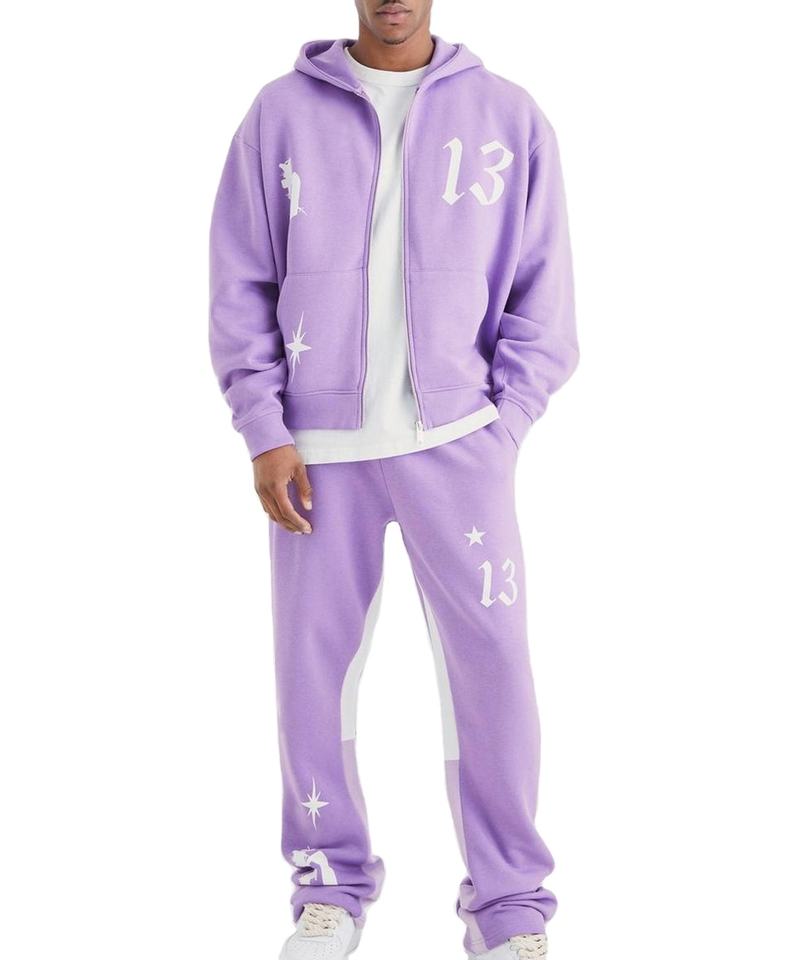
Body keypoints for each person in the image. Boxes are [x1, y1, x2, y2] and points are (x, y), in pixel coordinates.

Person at [208, 3, 578, 958]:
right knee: (311, 677)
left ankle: (508, 908)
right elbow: (240, 280)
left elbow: (546, 293)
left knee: (494, 676)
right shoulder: (279, 113)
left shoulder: (508, 116)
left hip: (459, 443)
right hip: (315, 454)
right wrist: (264, 429)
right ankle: (327, 889)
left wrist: (506, 423)